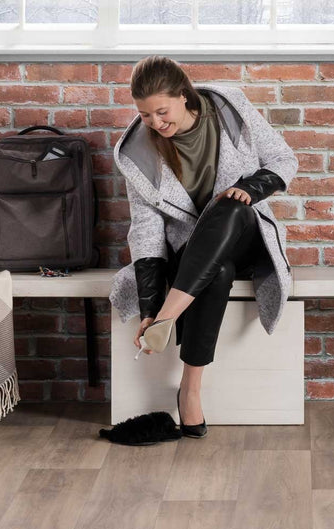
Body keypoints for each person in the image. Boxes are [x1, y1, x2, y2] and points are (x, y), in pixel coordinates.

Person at [109, 56, 299, 438]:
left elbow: (283, 159)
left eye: (162, 112)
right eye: (145, 116)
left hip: (244, 236)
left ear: (183, 95)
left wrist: (249, 188)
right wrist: (147, 308)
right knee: (218, 272)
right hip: (193, 256)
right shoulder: (136, 154)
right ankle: (190, 390)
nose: (156, 124)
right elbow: (146, 231)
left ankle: (168, 316)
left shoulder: (230, 107)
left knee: (230, 206)